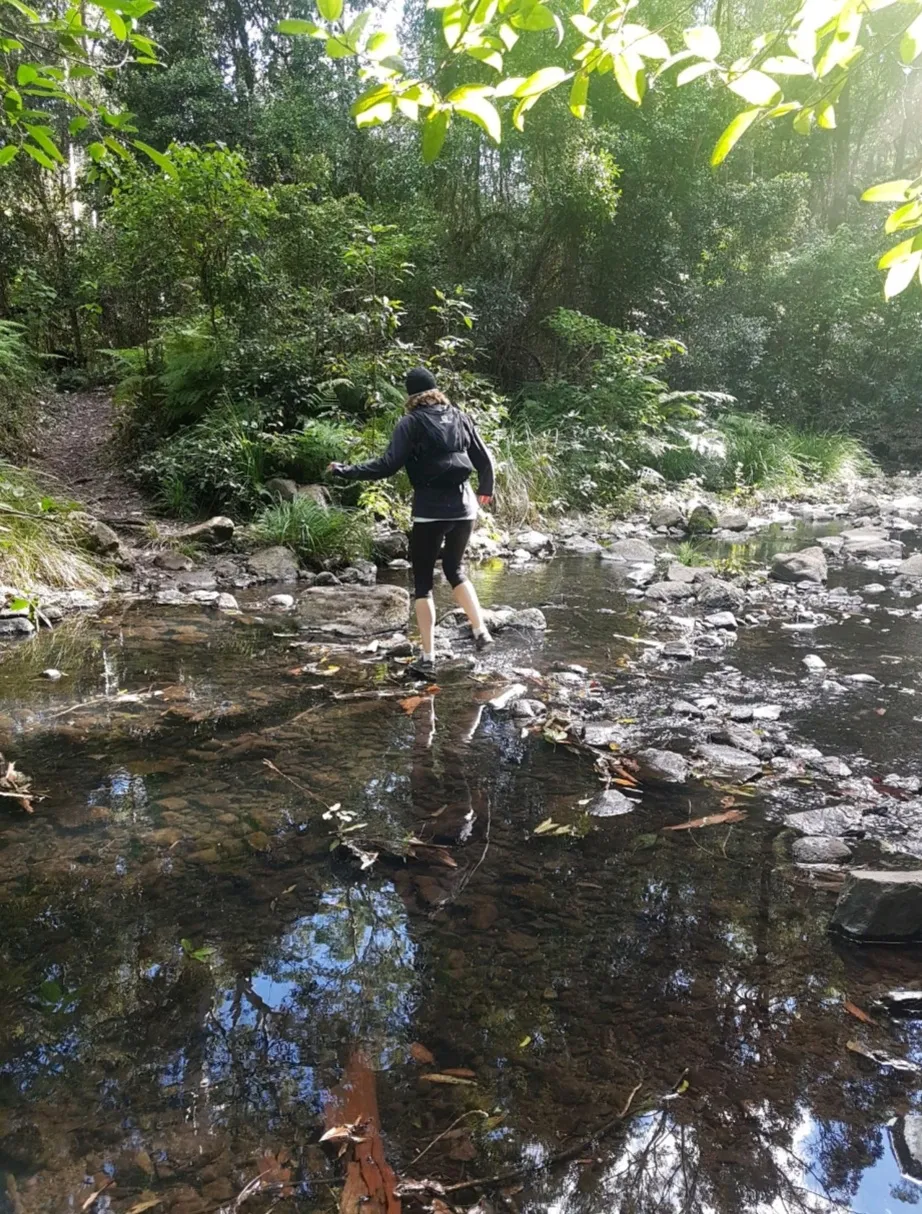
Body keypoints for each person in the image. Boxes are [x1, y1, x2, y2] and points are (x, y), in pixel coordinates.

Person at [329, 368, 495, 671]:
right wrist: (486, 489)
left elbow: (386, 465)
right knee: (455, 569)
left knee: (422, 583)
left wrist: (346, 470)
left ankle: (428, 656)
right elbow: (484, 459)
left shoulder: (410, 423)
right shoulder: (460, 416)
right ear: (436, 390)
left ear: (410, 396)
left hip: (430, 510)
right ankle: (480, 630)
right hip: (464, 507)